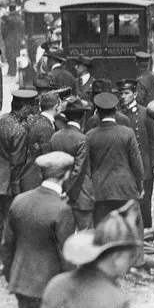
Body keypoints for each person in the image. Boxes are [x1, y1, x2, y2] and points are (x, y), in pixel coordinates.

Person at [0, 151, 76, 308]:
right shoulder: (62, 210)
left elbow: (7, 244)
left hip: (21, 282)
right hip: (49, 287)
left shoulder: (20, 200)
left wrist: (9, 275)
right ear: (66, 174)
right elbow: (66, 256)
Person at [41, 200, 142, 308]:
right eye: (129, 257)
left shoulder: (56, 284)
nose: (130, 264)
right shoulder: (116, 301)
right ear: (116, 257)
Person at [0, 89, 37, 275]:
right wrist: (16, 185)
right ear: (23, 109)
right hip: (9, 181)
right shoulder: (20, 130)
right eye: (30, 108)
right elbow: (17, 163)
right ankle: (6, 261)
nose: (31, 112)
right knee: (9, 220)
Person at [86, 92, 144, 224]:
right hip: (126, 190)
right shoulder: (127, 133)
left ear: (98, 113)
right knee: (127, 231)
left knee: (103, 234)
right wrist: (140, 187)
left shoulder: (89, 136)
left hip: (100, 192)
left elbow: (87, 167)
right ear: (115, 111)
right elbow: (137, 164)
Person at [117, 80, 154, 229]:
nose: (123, 96)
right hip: (125, 167)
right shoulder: (118, 115)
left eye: (126, 93)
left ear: (134, 94)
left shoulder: (145, 113)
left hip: (144, 166)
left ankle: (147, 235)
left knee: (144, 205)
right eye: (121, 93)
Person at [49, 97, 95, 230]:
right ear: (82, 117)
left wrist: (62, 190)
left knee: (63, 236)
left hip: (59, 193)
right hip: (81, 196)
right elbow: (79, 169)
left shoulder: (55, 136)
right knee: (85, 236)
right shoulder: (82, 138)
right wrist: (68, 192)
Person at [20, 92, 60, 192]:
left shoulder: (34, 120)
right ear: (56, 106)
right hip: (35, 182)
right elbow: (47, 159)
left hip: (25, 177)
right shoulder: (46, 128)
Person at [1, 3, 24, 78]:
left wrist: (4, 38)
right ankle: (13, 71)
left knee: (9, 56)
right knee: (15, 56)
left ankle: (11, 71)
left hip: (9, 40)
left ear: (10, 9)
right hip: (17, 40)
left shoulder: (8, 19)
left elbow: (4, 30)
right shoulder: (19, 18)